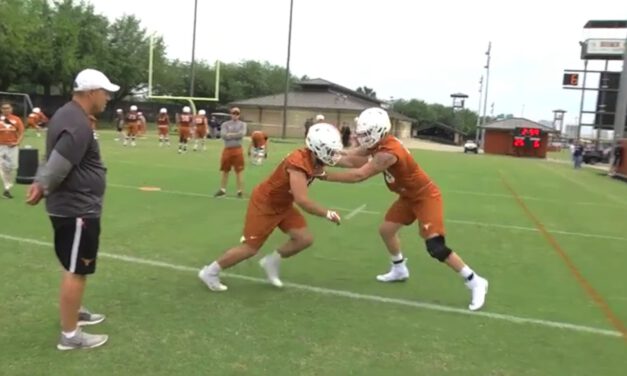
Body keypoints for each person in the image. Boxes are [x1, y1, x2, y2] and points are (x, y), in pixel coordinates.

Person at [317, 107, 489, 311]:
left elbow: (358, 174)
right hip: (408, 196)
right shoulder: (379, 142)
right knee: (386, 230)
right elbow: (352, 156)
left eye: (364, 134)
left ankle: (475, 281)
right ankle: (399, 269)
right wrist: (326, 154)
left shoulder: (388, 153)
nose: (359, 137)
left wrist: (323, 175)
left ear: (377, 131)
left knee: (436, 247)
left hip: (424, 196)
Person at [26, 68, 119, 350]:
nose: (107, 99)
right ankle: (70, 336)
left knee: (74, 264)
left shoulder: (69, 114)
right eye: (105, 93)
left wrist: (40, 182)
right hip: (77, 208)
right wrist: (43, 185)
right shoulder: (77, 121)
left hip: (74, 206)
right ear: (92, 92)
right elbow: (58, 165)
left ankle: (74, 312)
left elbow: (52, 156)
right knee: (77, 269)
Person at [199, 123, 343, 291]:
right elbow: (302, 200)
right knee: (250, 248)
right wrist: (327, 213)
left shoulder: (313, 158)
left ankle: (271, 261)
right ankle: (210, 272)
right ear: (318, 148)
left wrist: (371, 156)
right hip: (265, 204)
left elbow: (351, 161)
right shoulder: (298, 163)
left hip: (283, 204)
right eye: (330, 150)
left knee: (304, 239)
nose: (334, 154)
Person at [214, 107, 246, 198]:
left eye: (237, 114)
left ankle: (239, 191)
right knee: (225, 170)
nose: (235, 115)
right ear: (231, 114)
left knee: (239, 171)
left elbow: (242, 134)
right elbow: (223, 135)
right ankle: (222, 190)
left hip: (237, 149)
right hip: (227, 149)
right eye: (233, 113)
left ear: (239, 115)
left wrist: (231, 134)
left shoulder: (242, 124)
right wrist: (235, 135)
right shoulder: (225, 124)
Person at [0, 102, 25, 199]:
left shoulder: (16, 119)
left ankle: (8, 186)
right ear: (1, 109)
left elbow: (22, 132)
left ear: (11, 109)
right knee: (2, 166)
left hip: (12, 147)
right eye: (4, 108)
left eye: (8, 108)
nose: (6, 110)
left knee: (13, 167)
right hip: (1, 146)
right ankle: (7, 189)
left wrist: (17, 142)